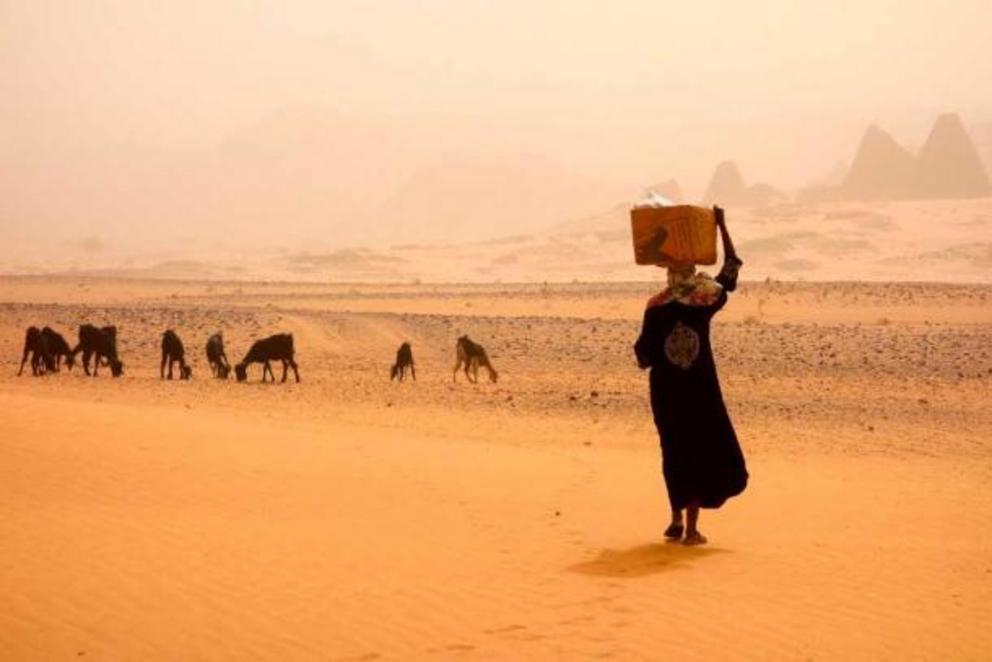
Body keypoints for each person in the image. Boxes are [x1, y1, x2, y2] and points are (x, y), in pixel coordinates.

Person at [633, 206, 748, 545]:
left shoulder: (656, 305)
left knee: (674, 451)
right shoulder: (704, 298)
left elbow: (643, 355)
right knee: (699, 450)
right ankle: (692, 530)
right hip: (700, 389)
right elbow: (730, 269)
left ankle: (675, 519)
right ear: (693, 269)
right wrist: (723, 227)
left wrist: (655, 356)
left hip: (666, 392)